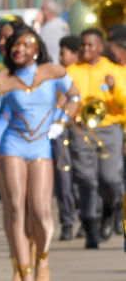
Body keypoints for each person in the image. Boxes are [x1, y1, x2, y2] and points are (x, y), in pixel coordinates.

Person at [0, 26, 79, 281]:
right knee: (16, 208)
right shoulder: (2, 79)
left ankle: (41, 257)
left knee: (41, 212)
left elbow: (75, 96)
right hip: (11, 146)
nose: (19, 49)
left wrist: (61, 121)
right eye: (14, 46)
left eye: (25, 44)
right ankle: (24, 271)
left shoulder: (54, 72)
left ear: (37, 48)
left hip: (41, 146)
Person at [65, 26, 126, 247]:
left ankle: (112, 208)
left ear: (101, 47)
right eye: (83, 45)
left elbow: (124, 104)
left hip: (109, 129)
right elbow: (64, 98)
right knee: (86, 181)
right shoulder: (72, 71)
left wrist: (114, 88)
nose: (85, 48)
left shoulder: (116, 71)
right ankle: (91, 228)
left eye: (91, 45)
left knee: (110, 180)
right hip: (81, 130)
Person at [53, 36, 82, 241]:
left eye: (64, 53)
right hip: (61, 129)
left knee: (84, 176)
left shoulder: (83, 71)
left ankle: (87, 217)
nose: (61, 57)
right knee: (63, 176)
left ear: (75, 54)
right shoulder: (58, 73)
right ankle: (67, 220)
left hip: (82, 129)